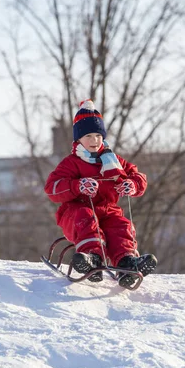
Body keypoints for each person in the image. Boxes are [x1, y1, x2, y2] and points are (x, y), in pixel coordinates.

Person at [44, 99, 157, 288]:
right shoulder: (71, 163)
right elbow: (52, 188)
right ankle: (91, 258)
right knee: (86, 216)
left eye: (98, 135)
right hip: (75, 213)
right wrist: (77, 186)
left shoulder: (113, 160)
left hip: (107, 211)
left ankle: (126, 263)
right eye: (88, 136)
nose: (94, 140)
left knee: (120, 224)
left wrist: (132, 184)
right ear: (78, 139)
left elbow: (138, 176)